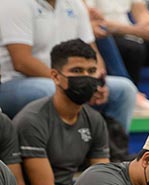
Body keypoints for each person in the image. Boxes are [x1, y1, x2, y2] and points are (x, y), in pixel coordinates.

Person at [13, 39, 110, 185]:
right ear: (56, 76)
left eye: (91, 70)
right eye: (77, 70)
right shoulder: (33, 120)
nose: (85, 77)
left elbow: (102, 178)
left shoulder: (94, 120)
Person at [0, 0, 136, 133]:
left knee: (124, 89)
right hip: (14, 82)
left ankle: (112, 151)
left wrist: (95, 84)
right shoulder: (14, 3)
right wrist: (71, 84)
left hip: (70, 79)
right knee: (50, 90)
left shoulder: (75, 3)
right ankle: (57, 152)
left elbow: (92, 53)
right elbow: (22, 62)